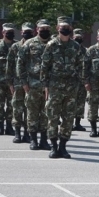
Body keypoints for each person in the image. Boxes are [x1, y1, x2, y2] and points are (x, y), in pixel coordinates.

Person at [41, 18, 83, 159]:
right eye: (62, 26)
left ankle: (63, 147)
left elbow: (80, 66)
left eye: (67, 26)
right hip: (55, 87)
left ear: (71, 28)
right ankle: (53, 146)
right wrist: (45, 86)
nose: (65, 29)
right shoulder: (51, 45)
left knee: (68, 118)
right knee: (53, 117)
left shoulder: (76, 46)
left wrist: (78, 83)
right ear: (57, 27)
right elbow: (44, 67)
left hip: (71, 88)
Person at [17, 19, 52, 151]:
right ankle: (33, 140)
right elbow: (20, 63)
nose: (44, 31)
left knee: (46, 114)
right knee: (32, 113)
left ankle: (44, 140)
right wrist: (24, 82)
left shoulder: (53, 43)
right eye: (42, 29)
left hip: (49, 85)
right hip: (33, 84)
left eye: (47, 29)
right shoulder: (29, 44)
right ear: (37, 30)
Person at [6, 23, 34, 143]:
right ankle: (17, 133)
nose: (27, 33)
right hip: (17, 83)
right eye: (25, 31)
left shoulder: (35, 45)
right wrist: (10, 83)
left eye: (29, 31)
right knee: (17, 108)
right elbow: (10, 65)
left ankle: (27, 134)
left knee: (29, 109)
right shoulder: (15, 46)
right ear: (21, 33)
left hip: (32, 83)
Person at [72, 29, 88, 132]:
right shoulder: (69, 48)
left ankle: (77, 123)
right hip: (70, 81)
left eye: (80, 37)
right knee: (69, 102)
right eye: (76, 37)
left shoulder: (85, 51)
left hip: (81, 81)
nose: (78, 39)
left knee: (80, 103)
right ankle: (68, 123)